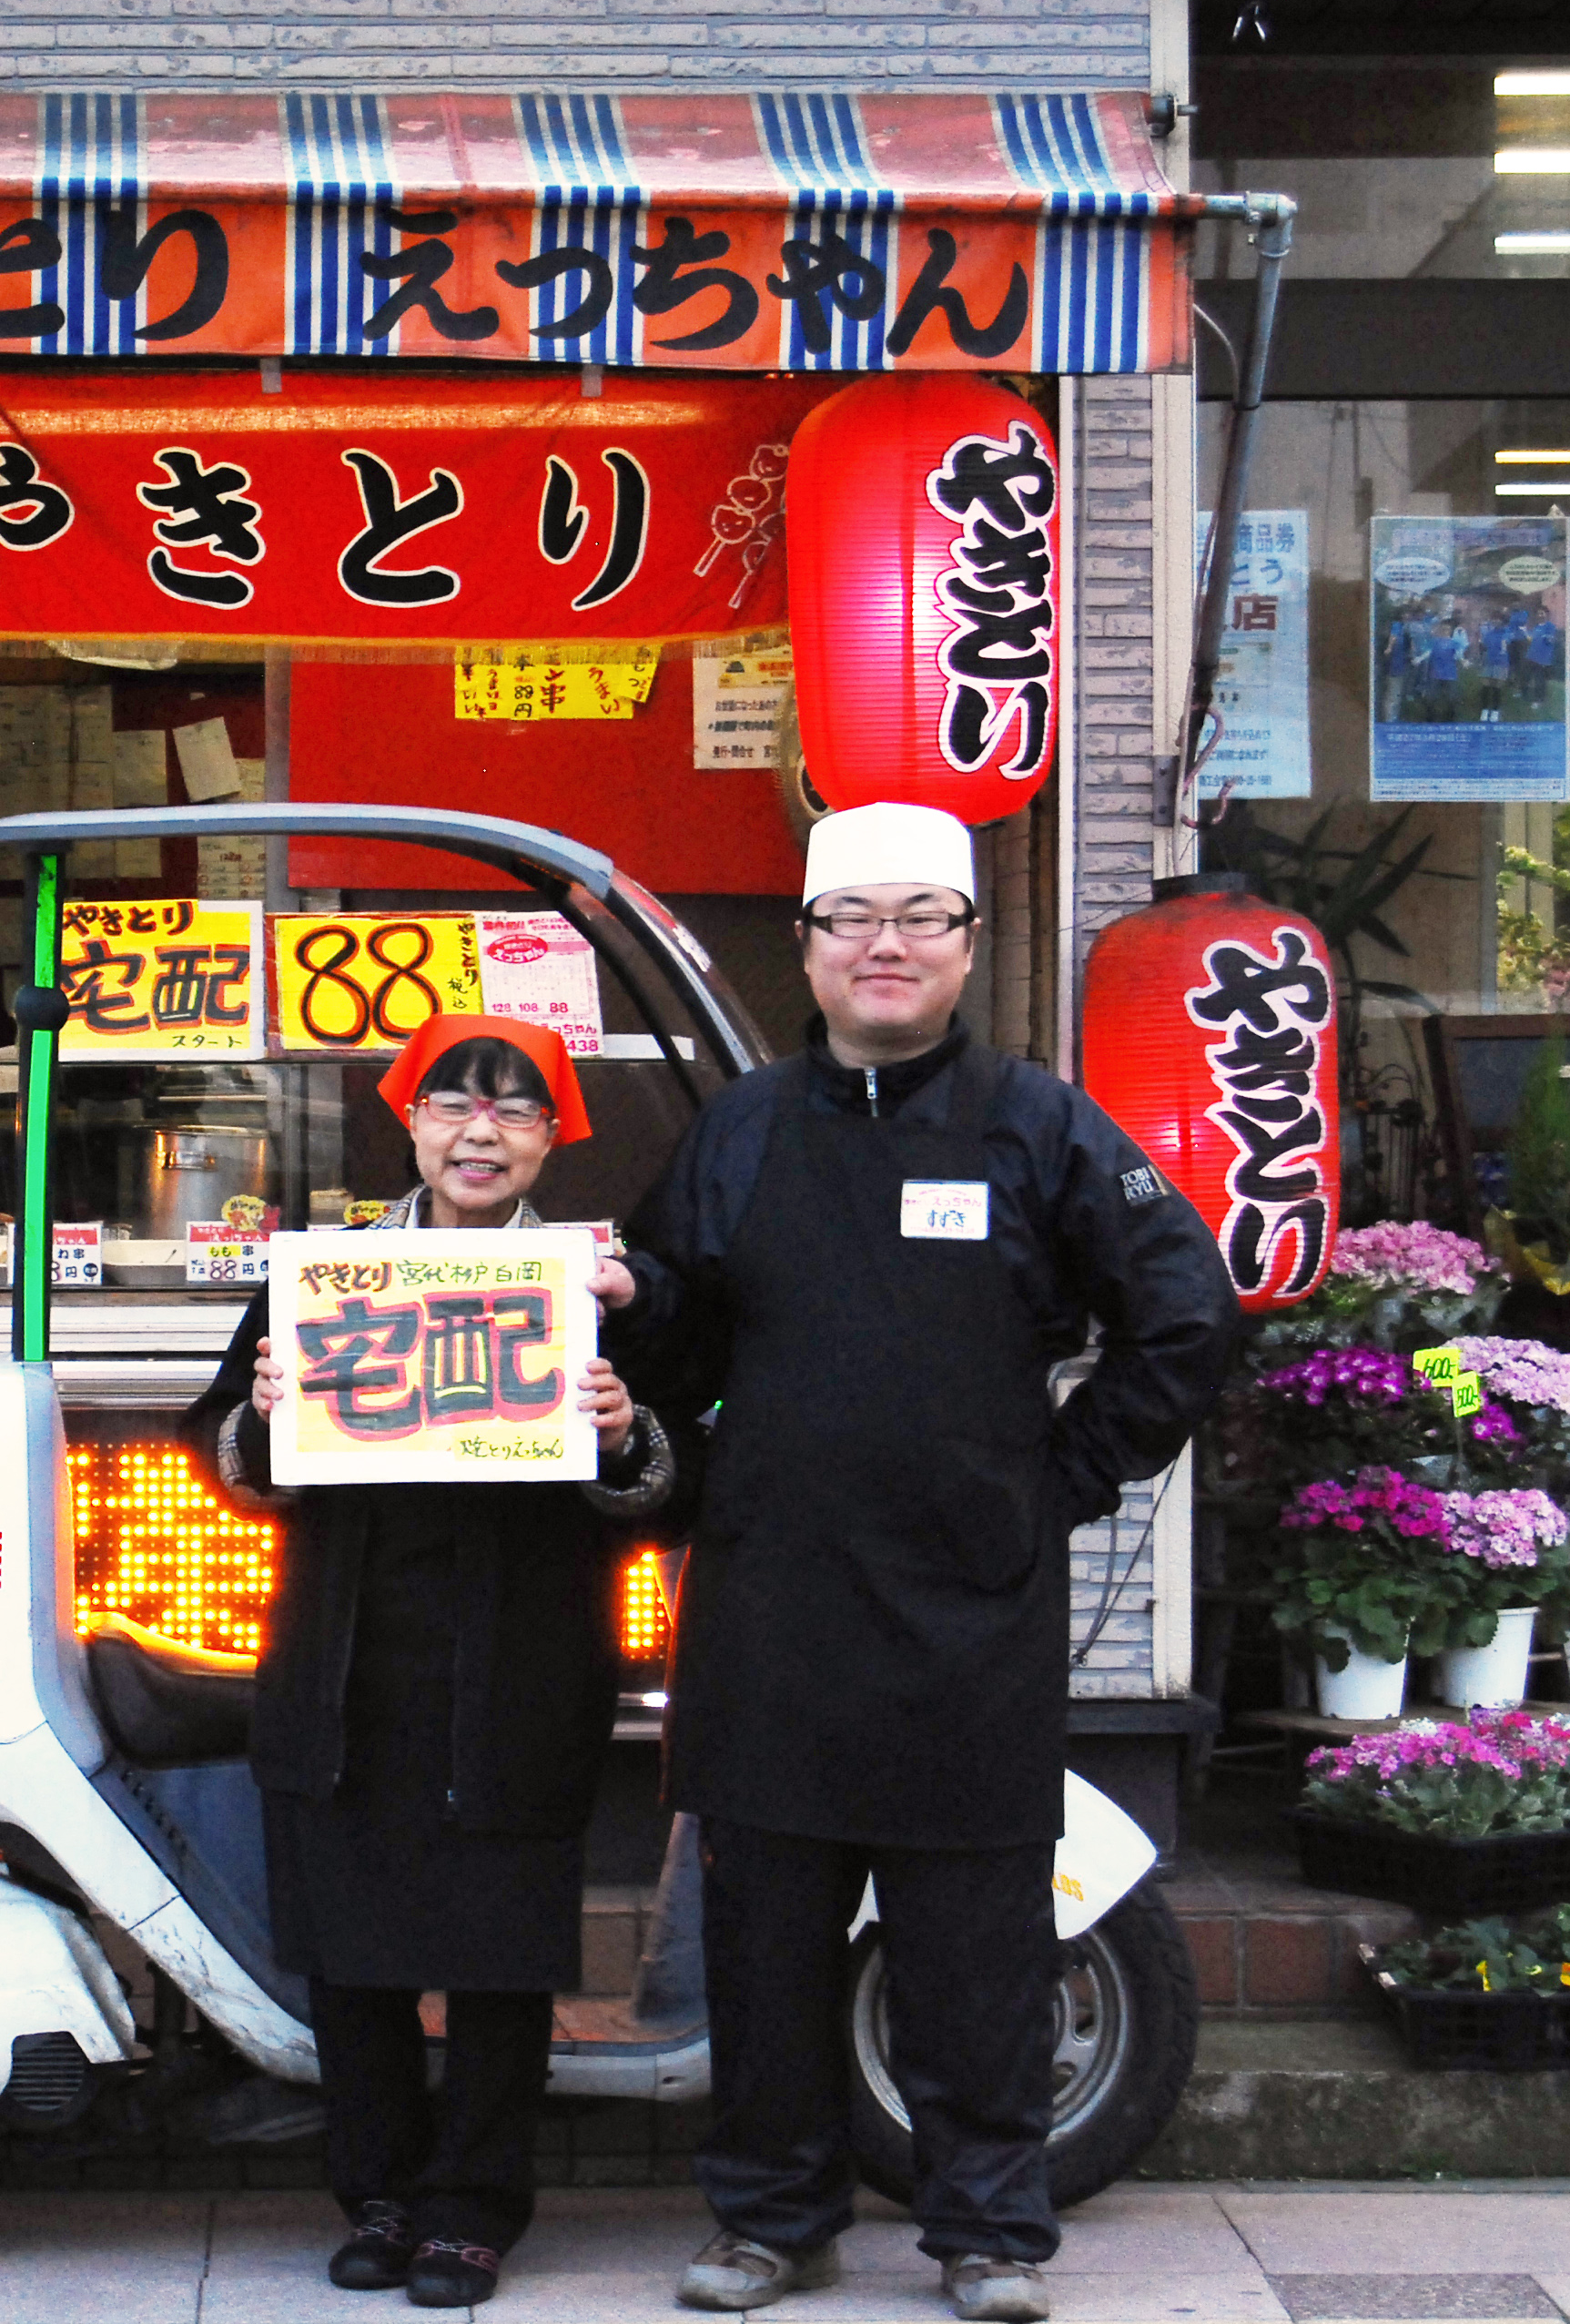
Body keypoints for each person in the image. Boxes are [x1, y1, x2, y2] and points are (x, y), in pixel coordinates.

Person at [624, 804, 1239, 2321]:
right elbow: (660, 1349)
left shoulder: (1038, 1124)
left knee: (972, 1936)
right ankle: (771, 2219)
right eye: (850, 919)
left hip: (971, 1611)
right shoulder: (744, 1131)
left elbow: (1185, 1315)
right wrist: (632, 1381)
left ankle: (987, 2230)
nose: (883, 946)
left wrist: (1063, 1479)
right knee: (764, 1936)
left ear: (966, 946)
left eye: (919, 917)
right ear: (808, 948)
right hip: (770, 1604)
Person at [186, 1013, 675, 2310]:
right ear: (409, 1121)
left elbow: (670, 1489)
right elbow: (222, 1457)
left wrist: (624, 1433)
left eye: (516, 1110)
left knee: (503, 1956)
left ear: (551, 1139)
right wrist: (265, 1416)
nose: (481, 1131)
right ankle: (383, 2192)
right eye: (456, 1102)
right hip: (349, 1670)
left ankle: (474, 2207)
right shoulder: (331, 1281)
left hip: (518, 1670)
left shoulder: (596, 1292)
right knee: (357, 1958)